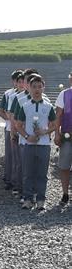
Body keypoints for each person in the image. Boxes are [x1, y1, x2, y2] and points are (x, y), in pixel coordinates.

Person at [14, 74, 56, 210]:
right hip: (29, 144)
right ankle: (27, 198)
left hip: (44, 144)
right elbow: (18, 125)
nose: (37, 89)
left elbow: (55, 125)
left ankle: (41, 199)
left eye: (39, 86)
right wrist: (27, 137)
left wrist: (45, 132)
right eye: (34, 87)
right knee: (28, 172)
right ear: (29, 88)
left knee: (42, 173)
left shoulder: (49, 107)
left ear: (43, 88)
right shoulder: (25, 106)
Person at [0, 71, 25, 193]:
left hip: (24, 130)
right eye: (18, 81)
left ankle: (21, 181)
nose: (20, 84)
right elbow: (5, 112)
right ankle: (11, 179)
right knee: (11, 156)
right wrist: (11, 121)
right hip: (11, 128)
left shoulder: (30, 95)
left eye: (23, 81)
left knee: (21, 157)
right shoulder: (10, 94)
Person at [54, 73, 72, 205]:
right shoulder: (64, 94)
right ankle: (65, 193)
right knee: (64, 166)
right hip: (68, 135)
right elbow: (58, 115)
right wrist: (56, 133)